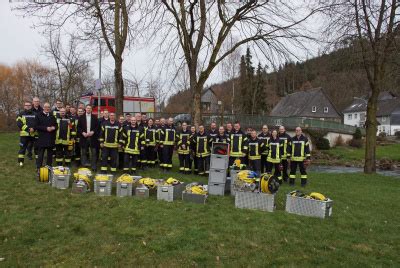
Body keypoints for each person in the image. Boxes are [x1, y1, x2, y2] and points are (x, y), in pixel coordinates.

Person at [35, 103, 57, 171]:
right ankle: (38, 167)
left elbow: (56, 125)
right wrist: (46, 128)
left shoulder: (52, 116)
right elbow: (36, 126)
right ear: (43, 108)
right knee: (40, 154)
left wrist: (54, 128)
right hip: (42, 138)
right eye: (46, 107)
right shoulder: (38, 115)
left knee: (49, 154)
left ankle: (49, 167)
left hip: (50, 138)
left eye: (48, 107)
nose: (47, 108)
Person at [77, 105, 99, 171]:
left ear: (91, 109)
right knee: (83, 152)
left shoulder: (95, 117)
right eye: (87, 108)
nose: (88, 109)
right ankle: (84, 165)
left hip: (93, 138)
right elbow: (78, 127)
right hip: (84, 137)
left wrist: (93, 132)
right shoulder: (81, 117)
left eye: (90, 108)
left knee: (94, 153)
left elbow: (98, 127)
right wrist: (83, 133)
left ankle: (94, 167)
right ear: (85, 109)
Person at [16, 101, 37, 166]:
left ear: (31, 106)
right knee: (22, 148)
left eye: (29, 105)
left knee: (37, 148)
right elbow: (19, 123)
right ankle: (20, 162)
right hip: (24, 135)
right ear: (24, 106)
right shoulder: (20, 114)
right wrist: (28, 129)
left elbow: (38, 123)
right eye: (26, 105)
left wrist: (34, 128)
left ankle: (38, 161)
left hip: (34, 134)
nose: (28, 106)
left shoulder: (35, 114)